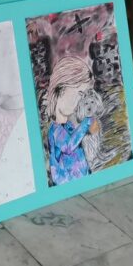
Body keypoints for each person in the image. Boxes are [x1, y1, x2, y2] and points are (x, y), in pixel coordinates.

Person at [45, 56, 101, 184]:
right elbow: (68, 146)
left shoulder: (69, 125)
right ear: (62, 89)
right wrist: (87, 122)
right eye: (80, 94)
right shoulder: (55, 129)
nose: (82, 100)